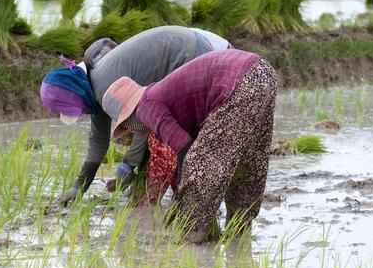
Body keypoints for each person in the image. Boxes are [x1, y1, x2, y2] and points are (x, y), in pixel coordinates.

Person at [40, 26, 231, 205]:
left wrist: (128, 164)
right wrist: (78, 187)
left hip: (191, 54)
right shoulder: (92, 86)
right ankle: (178, 193)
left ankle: (189, 198)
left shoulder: (104, 88)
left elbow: (144, 119)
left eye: (76, 109)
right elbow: (98, 140)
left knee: (173, 135)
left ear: (75, 96)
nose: (81, 112)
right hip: (190, 41)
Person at [101, 49, 277, 243]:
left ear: (129, 115)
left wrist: (181, 200)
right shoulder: (161, 93)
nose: (131, 129)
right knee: (250, 160)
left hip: (236, 82)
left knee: (201, 162)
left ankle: (190, 236)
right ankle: (239, 230)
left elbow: (185, 150)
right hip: (262, 73)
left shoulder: (145, 106)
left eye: (126, 125)